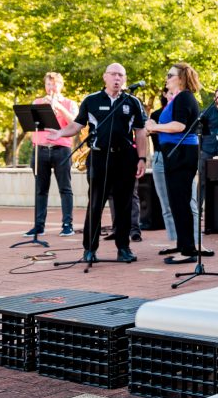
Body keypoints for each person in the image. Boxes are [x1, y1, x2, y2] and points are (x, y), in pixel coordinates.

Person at [48, 63, 147, 263]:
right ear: (105, 77)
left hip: (125, 158)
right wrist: (60, 132)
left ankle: (123, 248)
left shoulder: (132, 102)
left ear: (125, 79)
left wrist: (142, 158)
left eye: (121, 75)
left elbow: (140, 132)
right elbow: (77, 125)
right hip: (99, 157)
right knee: (95, 204)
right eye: (113, 74)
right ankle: (90, 249)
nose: (117, 78)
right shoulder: (91, 100)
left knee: (124, 205)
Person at [146, 62, 202, 264]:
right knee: (176, 201)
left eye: (170, 75)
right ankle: (182, 244)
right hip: (175, 153)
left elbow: (179, 125)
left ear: (181, 78)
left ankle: (188, 250)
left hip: (182, 153)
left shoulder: (185, 97)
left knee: (181, 201)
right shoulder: (177, 99)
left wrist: (155, 126)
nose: (166, 78)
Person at [26, 72, 79, 238]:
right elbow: (31, 124)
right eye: (48, 84)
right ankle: (38, 226)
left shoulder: (70, 103)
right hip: (40, 149)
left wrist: (59, 107)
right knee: (40, 189)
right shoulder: (37, 102)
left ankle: (67, 225)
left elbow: (75, 124)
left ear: (61, 85)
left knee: (65, 188)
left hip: (61, 150)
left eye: (54, 84)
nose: (51, 88)